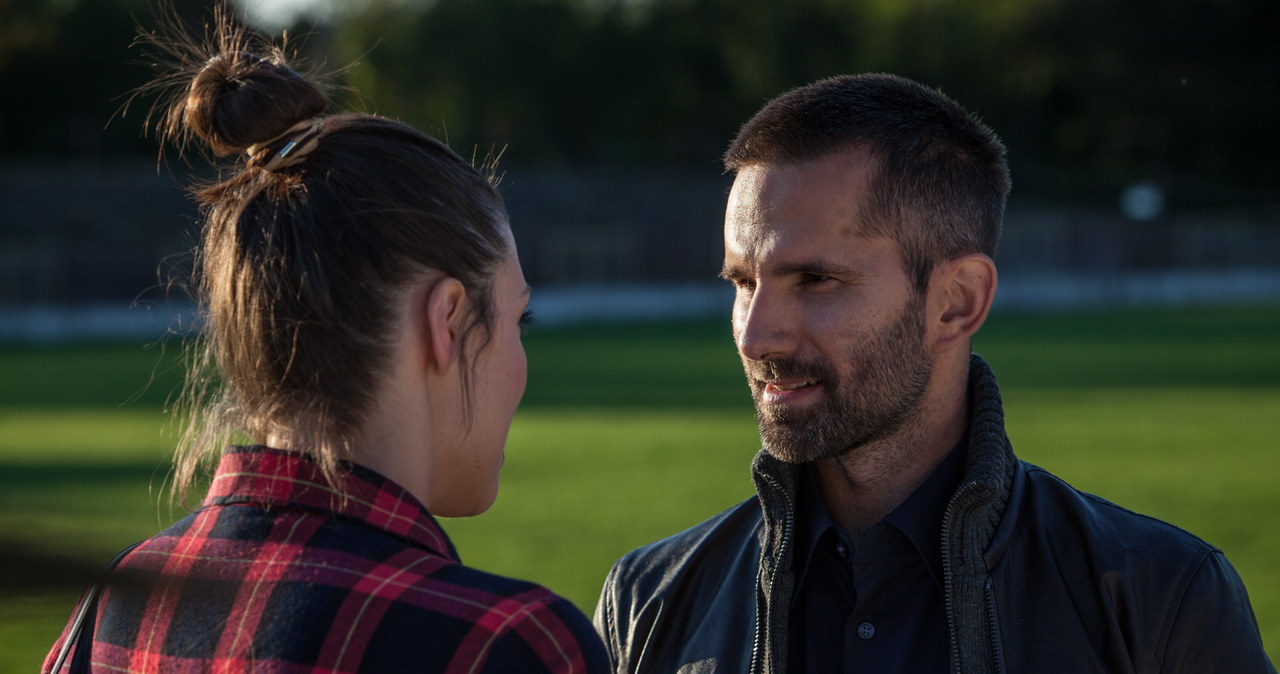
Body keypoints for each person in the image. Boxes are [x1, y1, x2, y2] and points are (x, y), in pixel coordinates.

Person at [593, 73, 1275, 673]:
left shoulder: (1162, 603)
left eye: (816, 279)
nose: (755, 333)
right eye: (743, 282)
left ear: (956, 303)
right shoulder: (647, 606)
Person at [42, 9, 608, 674]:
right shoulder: (501, 643)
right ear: (446, 322)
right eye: (518, 323)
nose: (521, 365)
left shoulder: (115, 605)